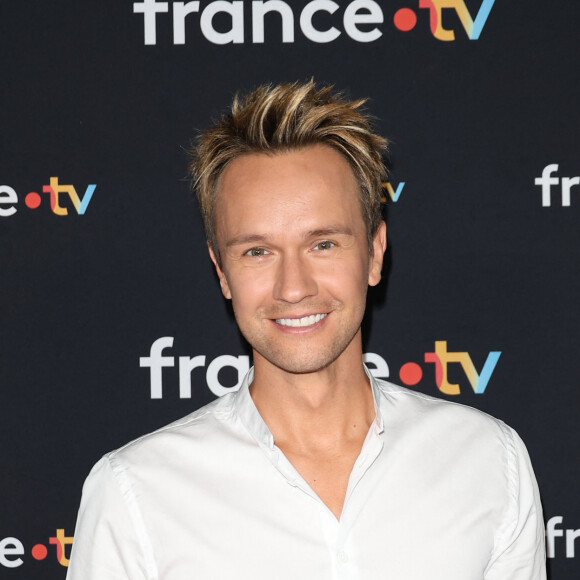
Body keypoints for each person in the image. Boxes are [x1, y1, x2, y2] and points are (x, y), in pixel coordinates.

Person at [67, 80, 546, 579]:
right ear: (221, 272)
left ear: (375, 253)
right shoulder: (136, 494)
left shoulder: (489, 461)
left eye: (323, 244)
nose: (292, 288)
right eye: (257, 251)